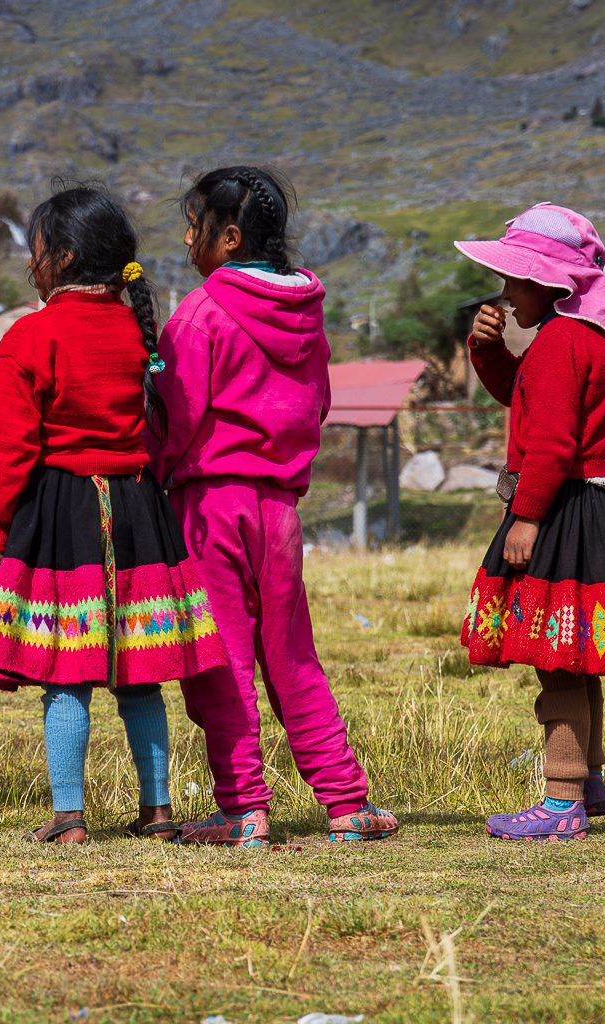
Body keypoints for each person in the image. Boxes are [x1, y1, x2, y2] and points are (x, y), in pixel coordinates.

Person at [149, 166, 397, 846]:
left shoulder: (199, 314)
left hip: (209, 504)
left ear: (228, 237)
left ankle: (242, 809)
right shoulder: (306, 315)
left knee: (223, 660)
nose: (186, 238)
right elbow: (315, 403)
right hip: (280, 511)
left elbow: (177, 419)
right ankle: (347, 805)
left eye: (194, 225)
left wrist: (162, 480)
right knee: (293, 655)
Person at [0, 186, 227, 844]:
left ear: (59, 258)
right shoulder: (137, 329)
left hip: (62, 515)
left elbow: (10, 448)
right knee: (140, 674)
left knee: (67, 671)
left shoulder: (29, 338)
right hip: (139, 510)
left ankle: (68, 816)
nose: (30, 265)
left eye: (34, 254)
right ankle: (159, 811)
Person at [459, 203, 605, 841]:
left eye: (515, 280)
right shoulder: (582, 338)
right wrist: (486, 349)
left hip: (562, 514)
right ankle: (588, 783)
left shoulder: (560, 342)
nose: (505, 292)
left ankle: (561, 801)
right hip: (593, 512)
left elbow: (548, 442)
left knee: (556, 658)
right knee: (575, 657)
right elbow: (526, 397)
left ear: (551, 285)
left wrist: (525, 519)